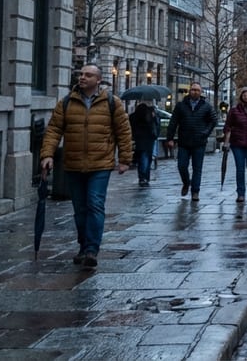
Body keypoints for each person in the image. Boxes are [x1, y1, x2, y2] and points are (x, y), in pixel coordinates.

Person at [39, 64, 132, 269]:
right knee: (80, 208)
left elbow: (123, 132)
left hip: (101, 164)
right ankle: (83, 246)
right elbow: (54, 130)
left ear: (98, 80)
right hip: (73, 163)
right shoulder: (66, 102)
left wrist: (125, 159)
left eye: (88, 75)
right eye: (81, 74)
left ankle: (92, 249)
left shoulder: (111, 102)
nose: (82, 78)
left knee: (95, 203)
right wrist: (47, 155)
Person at [166, 82, 218, 203]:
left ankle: (195, 191)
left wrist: (206, 132)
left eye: (198, 90)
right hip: (184, 141)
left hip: (199, 142)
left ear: (201, 92)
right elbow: (173, 122)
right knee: (182, 166)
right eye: (193, 90)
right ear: (190, 91)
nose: (195, 92)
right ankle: (186, 182)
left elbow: (213, 120)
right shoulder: (181, 106)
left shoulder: (206, 106)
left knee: (197, 168)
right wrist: (170, 138)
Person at [129, 101, 159, 187]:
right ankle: (145, 177)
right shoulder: (149, 116)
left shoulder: (133, 117)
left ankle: (142, 177)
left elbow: (130, 127)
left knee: (141, 159)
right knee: (147, 158)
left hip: (138, 140)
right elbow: (155, 126)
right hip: (149, 140)